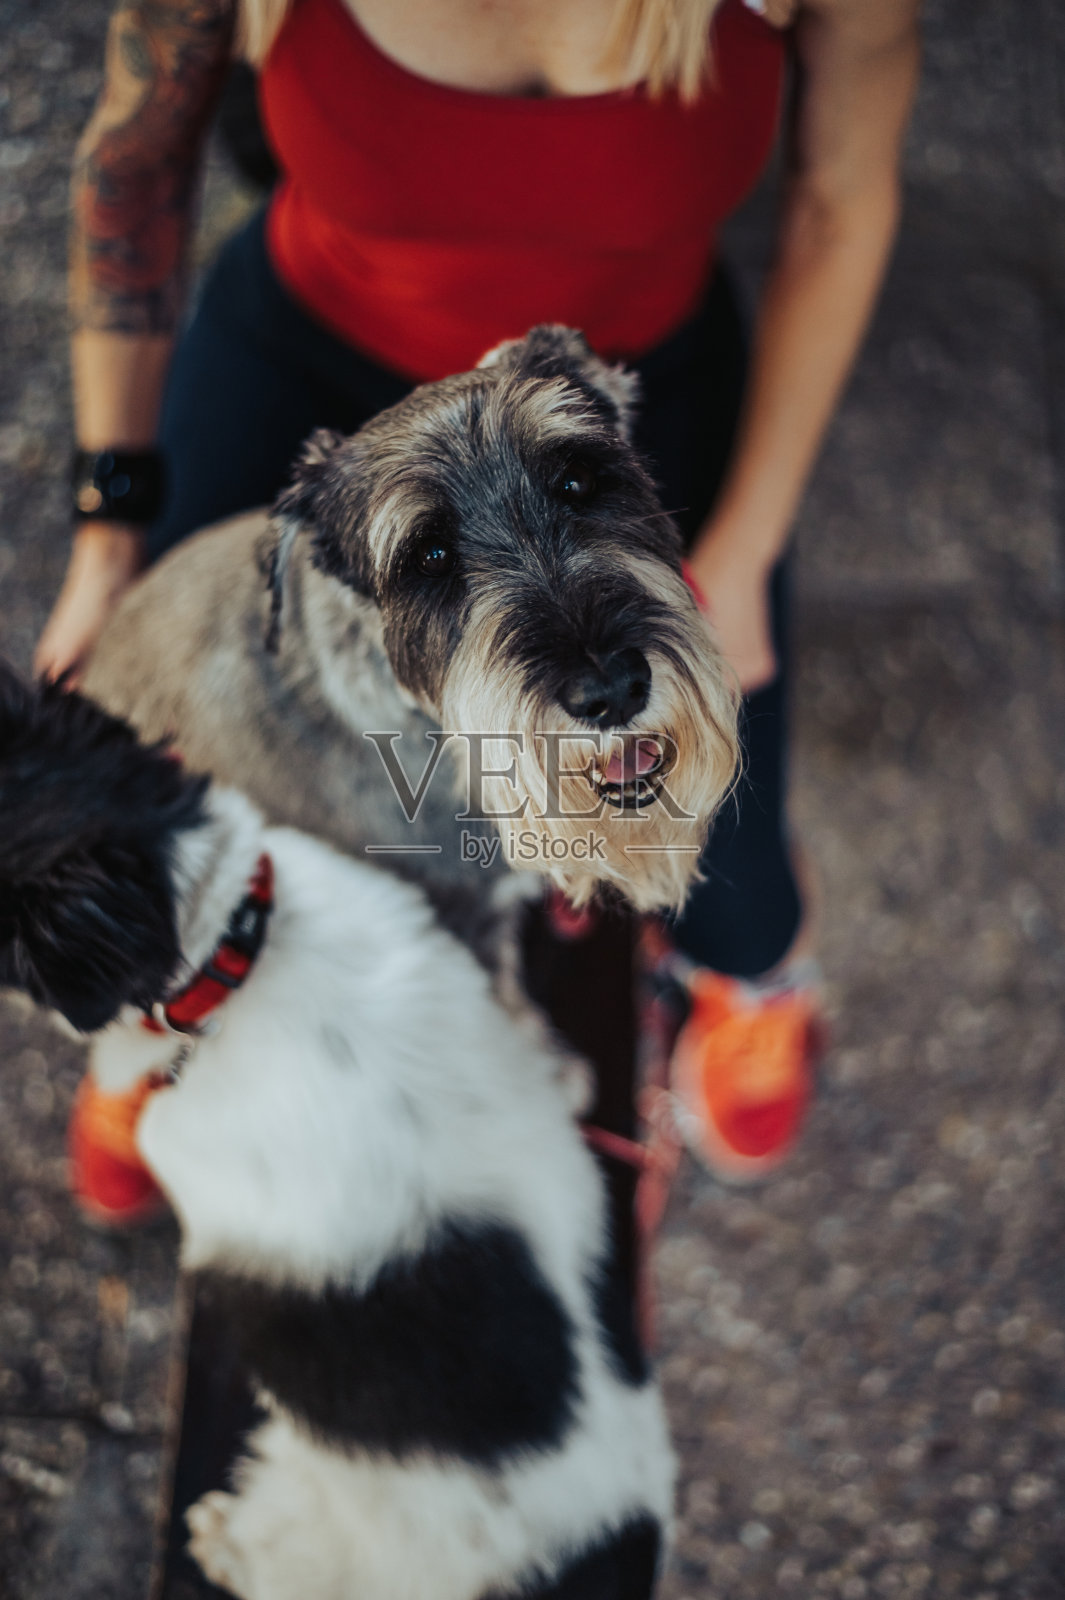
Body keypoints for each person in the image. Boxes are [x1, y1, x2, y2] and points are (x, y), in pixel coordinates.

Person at [36, 0, 920, 1208]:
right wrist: (108, 538)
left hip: (602, 408)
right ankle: (162, 1016)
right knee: (136, 757)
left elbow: (841, 203)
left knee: (733, 862)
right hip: (312, 356)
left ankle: (749, 972)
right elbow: (134, 160)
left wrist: (747, 546)